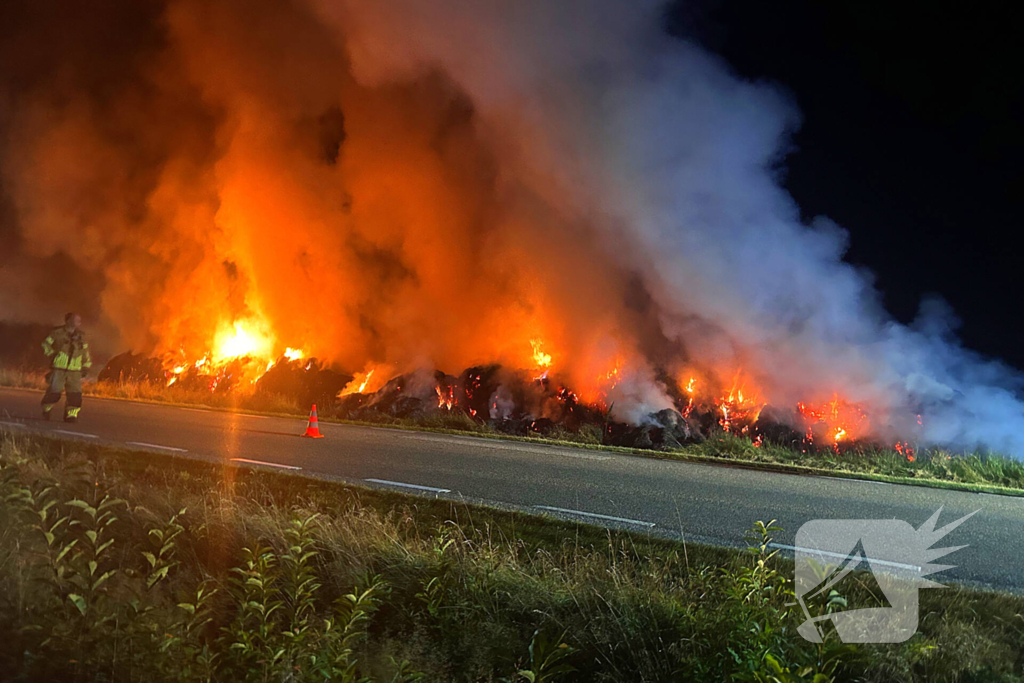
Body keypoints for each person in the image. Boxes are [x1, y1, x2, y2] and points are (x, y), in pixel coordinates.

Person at [41, 312, 92, 423]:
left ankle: (71, 415)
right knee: (54, 392)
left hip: (75, 371)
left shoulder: (81, 337)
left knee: (75, 395)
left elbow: (85, 353)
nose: (77, 322)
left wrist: (86, 366)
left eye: (78, 321)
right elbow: (45, 344)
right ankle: (46, 408)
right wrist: (52, 354)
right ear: (67, 321)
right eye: (75, 320)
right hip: (59, 368)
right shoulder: (57, 333)